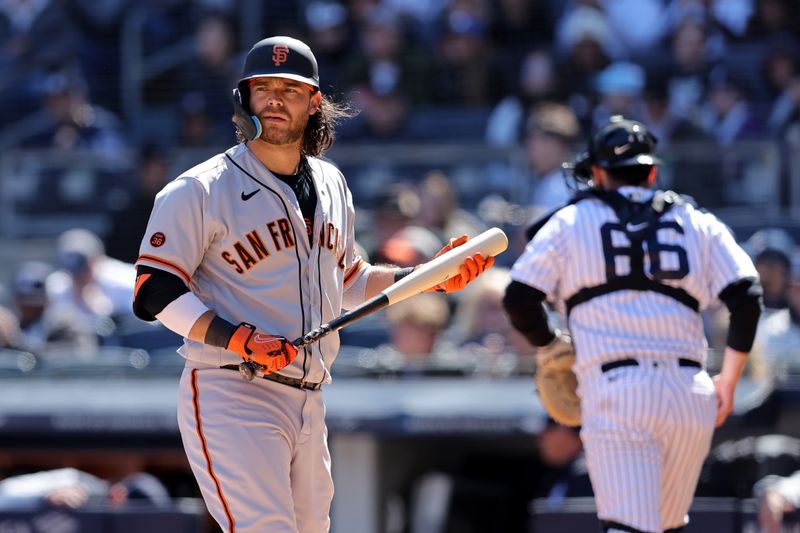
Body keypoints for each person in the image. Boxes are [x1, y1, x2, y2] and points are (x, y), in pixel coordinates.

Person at [131, 35, 495, 532]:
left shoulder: (331, 183)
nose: (276, 99)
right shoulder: (200, 189)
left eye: (291, 89)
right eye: (264, 88)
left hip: (310, 395)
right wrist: (238, 338)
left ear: (314, 102)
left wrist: (429, 277)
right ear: (244, 98)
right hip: (234, 388)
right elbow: (155, 290)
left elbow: (348, 282)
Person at [503, 115, 763, 533]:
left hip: (616, 390)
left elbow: (519, 297)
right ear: (653, 171)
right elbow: (747, 297)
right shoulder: (695, 219)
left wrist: (550, 346)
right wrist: (728, 381)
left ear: (599, 172)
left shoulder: (572, 219)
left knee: (629, 529)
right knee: (667, 527)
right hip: (690, 393)